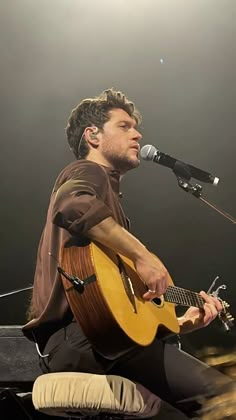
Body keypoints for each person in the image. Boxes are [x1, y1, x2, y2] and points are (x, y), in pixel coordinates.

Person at [23, 88, 227, 418]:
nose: (137, 134)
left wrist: (180, 324)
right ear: (93, 136)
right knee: (224, 398)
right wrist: (144, 256)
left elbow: (123, 311)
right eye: (124, 126)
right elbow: (72, 203)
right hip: (86, 340)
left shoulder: (110, 207)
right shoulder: (88, 172)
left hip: (96, 343)